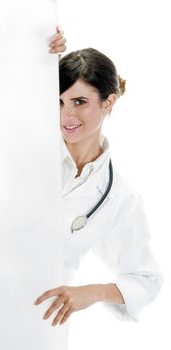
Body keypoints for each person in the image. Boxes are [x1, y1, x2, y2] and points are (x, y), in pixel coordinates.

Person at [34, 28, 163, 326]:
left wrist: (91, 292)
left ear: (108, 102)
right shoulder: (28, 151)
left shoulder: (118, 195)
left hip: (40, 322)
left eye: (80, 102)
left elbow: (146, 279)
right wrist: (35, 44)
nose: (66, 117)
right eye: (60, 102)